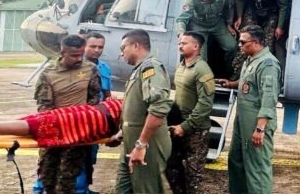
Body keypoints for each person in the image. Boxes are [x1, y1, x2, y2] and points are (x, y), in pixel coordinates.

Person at [216, 25, 280, 194]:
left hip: (256, 121)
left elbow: (269, 98)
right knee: (236, 161)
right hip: (243, 120)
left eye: (243, 42)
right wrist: (231, 84)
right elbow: (249, 82)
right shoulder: (251, 59)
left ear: (257, 42)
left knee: (256, 168)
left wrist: (260, 128)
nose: (240, 45)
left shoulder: (268, 64)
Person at [35, 34, 101, 194]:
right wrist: (58, 128)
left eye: (81, 54)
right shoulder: (48, 74)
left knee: (67, 179)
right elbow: (44, 107)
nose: (79, 59)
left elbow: (93, 100)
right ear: (62, 53)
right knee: (47, 176)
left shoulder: (90, 69)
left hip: (76, 133)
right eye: (73, 55)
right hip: (53, 132)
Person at [113, 29, 173, 194]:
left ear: (136, 45)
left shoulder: (150, 67)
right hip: (133, 141)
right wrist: (122, 132)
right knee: (122, 189)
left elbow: (158, 108)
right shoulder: (139, 70)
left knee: (147, 189)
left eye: (123, 48)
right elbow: (136, 108)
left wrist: (141, 144)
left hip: (147, 143)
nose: (121, 53)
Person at [0, 99, 123, 146]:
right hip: (97, 112)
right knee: (35, 121)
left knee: (46, 123)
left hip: (100, 119)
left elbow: (142, 120)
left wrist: (117, 136)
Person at [166, 31, 215, 194]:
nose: (180, 46)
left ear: (196, 46)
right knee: (173, 167)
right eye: (179, 43)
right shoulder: (181, 65)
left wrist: (185, 126)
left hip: (196, 129)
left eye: (184, 43)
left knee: (193, 175)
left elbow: (205, 104)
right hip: (179, 124)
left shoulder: (202, 69)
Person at [176, 0, 238, 66]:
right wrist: (181, 33)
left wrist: (229, 23)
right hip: (198, 26)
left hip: (217, 24)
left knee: (233, 46)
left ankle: (228, 70)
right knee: (201, 58)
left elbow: (230, 8)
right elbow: (182, 18)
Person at [84, 32, 112, 194]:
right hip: (81, 118)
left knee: (91, 157)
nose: (97, 50)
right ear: (84, 46)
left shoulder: (104, 68)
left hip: (97, 120)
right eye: (92, 46)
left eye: (100, 47)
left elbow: (107, 93)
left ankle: (85, 188)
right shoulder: (78, 67)